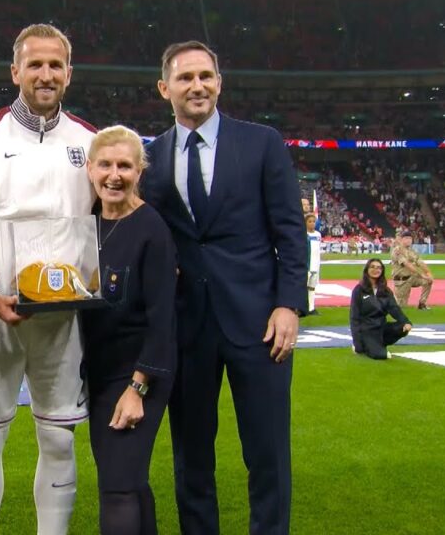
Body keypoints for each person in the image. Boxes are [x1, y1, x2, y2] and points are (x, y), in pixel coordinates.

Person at [141, 40, 307, 535]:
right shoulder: (150, 157)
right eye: (186, 77)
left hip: (260, 324)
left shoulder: (262, 143)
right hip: (187, 328)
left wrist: (288, 305)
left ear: (219, 82)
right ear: (164, 87)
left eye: (206, 76)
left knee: (268, 452)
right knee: (191, 457)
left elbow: (290, 231)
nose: (198, 86)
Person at [0, 23, 96, 535]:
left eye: (55, 65)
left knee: (59, 437)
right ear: (15, 71)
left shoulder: (89, 141)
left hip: (65, 318)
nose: (45, 74)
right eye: (34, 64)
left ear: (69, 74)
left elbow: (104, 222)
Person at [79, 127, 177, 535]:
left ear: (140, 171)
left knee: (117, 488)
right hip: (100, 372)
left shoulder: (151, 227)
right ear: (89, 168)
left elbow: (163, 318)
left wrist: (138, 387)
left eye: (124, 166)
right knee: (128, 482)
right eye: (105, 164)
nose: (114, 175)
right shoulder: (85, 225)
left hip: (138, 373)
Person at [350, 258, 412, 360]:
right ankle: (369, 345)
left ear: (382, 270)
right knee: (381, 356)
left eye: (379, 268)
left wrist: (406, 322)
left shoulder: (385, 291)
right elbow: (354, 317)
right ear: (367, 270)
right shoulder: (359, 290)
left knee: (402, 327)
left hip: (381, 327)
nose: (376, 270)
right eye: (372, 267)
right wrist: (357, 342)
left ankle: (378, 344)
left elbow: (394, 308)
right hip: (367, 330)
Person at [391, 230, 433, 310]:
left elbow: (420, 262)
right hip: (402, 280)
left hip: (411, 278)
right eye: (406, 238)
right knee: (400, 307)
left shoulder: (411, 251)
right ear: (401, 239)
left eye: (410, 238)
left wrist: (428, 273)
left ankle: (422, 304)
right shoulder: (397, 251)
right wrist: (422, 275)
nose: (409, 240)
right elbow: (407, 264)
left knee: (429, 281)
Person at [305, 213, 322, 315]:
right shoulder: (304, 234)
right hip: (307, 265)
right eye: (309, 221)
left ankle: (311, 308)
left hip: (316, 265)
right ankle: (302, 308)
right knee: (303, 287)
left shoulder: (318, 234)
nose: (312, 224)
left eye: (313, 221)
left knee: (312, 287)